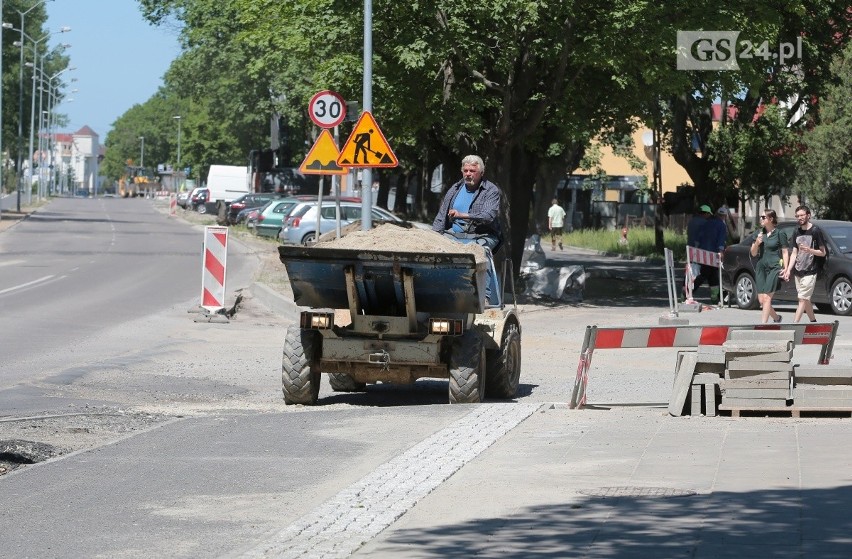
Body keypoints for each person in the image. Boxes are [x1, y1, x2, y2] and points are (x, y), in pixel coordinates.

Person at [432, 155, 503, 304]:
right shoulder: (455, 188)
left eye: (472, 170)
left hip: (482, 235)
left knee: (481, 252)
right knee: (436, 251)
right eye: (466, 170)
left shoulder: (491, 190)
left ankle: (485, 298)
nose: (468, 174)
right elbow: (441, 215)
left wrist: (462, 215)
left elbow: (488, 216)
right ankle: (438, 293)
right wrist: (434, 237)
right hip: (455, 234)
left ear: (481, 173)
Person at [783, 205, 827, 323]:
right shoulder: (796, 231)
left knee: (801, 299)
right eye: (797, 216)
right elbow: (794, 253)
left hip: (810, 271)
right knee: (806, 299)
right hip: (798, 271)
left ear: (808, 216)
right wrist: (788, 270)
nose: (800, 218)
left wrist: (810, 250)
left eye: (802, 215)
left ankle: (794, 325)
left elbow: (823, 252)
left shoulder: (815, 231)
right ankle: (813, 322)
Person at [751, 209, 789, 323]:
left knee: (767, 298)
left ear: (771, 219)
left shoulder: (779, 233)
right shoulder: (759, 233)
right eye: (761, 217)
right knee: (762, 300)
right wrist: (757, 243)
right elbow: (753, 253)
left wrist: (786, 268)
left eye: (763, 217)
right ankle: (777, 318)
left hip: (774, 267)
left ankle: (763, 325)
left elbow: (785, 251)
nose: (761, 219)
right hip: (761, 267)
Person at [692, 206, 728, 303]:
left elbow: (698, 238)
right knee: (705, 274)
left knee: (712, 275)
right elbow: (721, 240)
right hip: (713, 254)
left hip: (703, 253)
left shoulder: (706, 223)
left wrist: (696, 250)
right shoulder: (721, 225)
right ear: (724, 216)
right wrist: (721, 252)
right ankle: (689, 292)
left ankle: (715, 297)